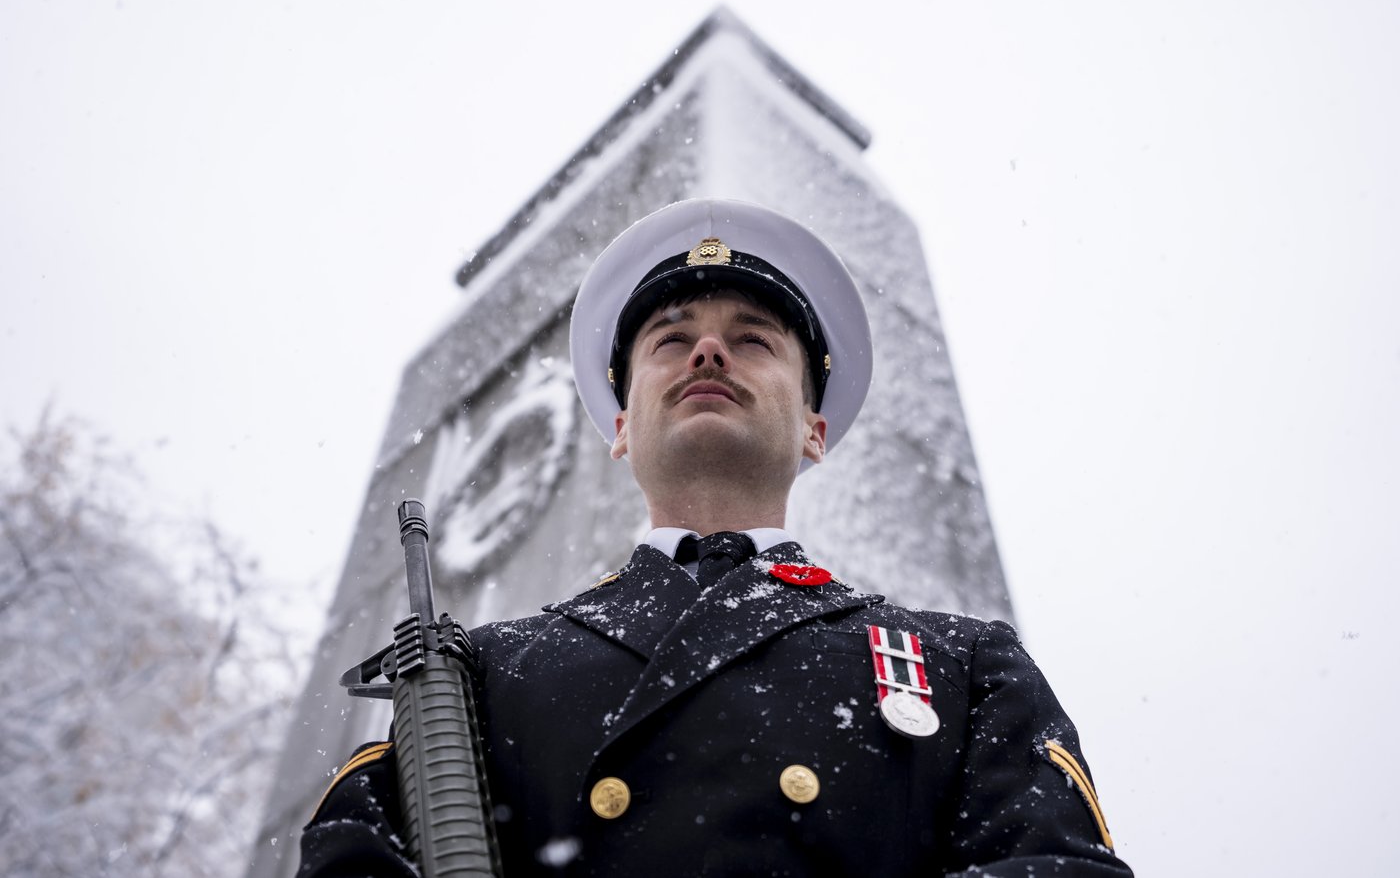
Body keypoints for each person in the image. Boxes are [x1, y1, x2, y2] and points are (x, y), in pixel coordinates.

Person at [298, 199, 1133, 877]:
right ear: (621, 426)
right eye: (670, 339)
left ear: (814, 426)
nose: (706, 349)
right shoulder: (479, 675)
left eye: (752, 340)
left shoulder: (961, 666)